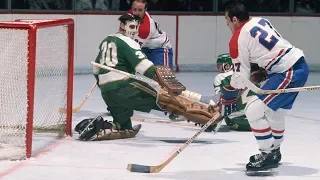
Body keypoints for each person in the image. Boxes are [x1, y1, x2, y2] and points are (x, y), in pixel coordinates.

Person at [74, 13, 220, 141]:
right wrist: (164, 82)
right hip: (125, 87)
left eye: (136, 27)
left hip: (107, 93)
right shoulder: (128, 42)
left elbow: (95, 69)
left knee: (123, 126)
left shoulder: (106, 40)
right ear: (122, 26)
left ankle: (99, 126)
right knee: (167, 100)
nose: (134, 31)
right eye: (131, 27)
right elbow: (144, 67)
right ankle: (209, 118)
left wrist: (105, 86)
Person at [224, 3, 309, 172]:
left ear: (234, 19)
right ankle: (274, 150)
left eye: (227, 20)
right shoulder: (261, 20)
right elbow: (271, 49)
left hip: (286, 71)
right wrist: (263, 69)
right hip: (297, 66)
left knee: (253, 109)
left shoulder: (237, 38)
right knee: (273, 111)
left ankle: (267, 153)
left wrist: (227, 94)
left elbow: (240, 78)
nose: (227, 25)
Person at [129, 0, 173, 69]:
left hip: (159, 48)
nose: (136, 13)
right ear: (132, 8)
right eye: (134, 9)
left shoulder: (146, 28)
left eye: (140, 10)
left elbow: (134, 47)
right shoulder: (129, 14)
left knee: (163, 76)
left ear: (145, 10)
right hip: (145, 46)